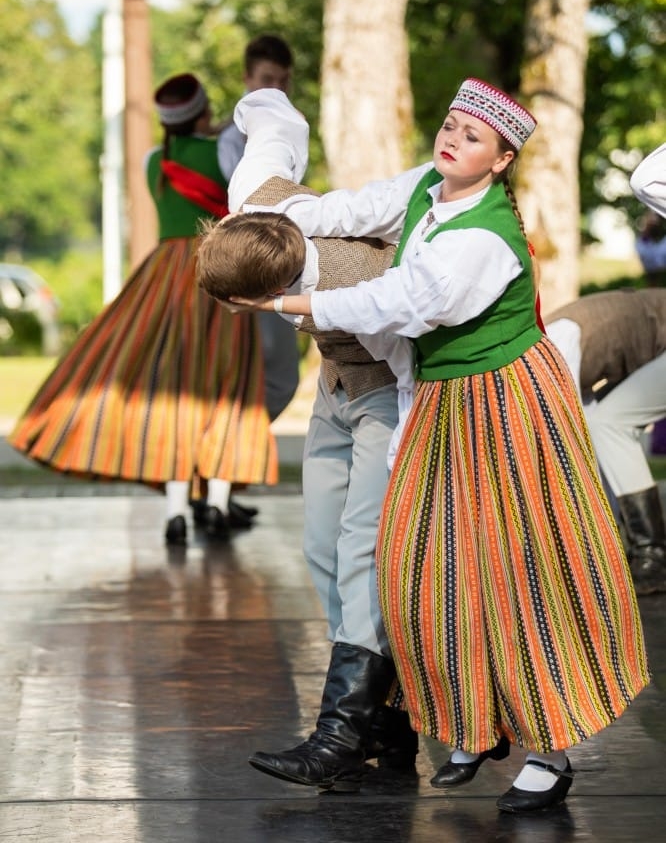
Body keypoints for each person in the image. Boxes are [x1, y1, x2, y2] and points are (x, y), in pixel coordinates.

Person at [226, 78, 650, 814]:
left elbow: (401, 301)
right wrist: (270, 215)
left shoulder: (482, 240)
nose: (452, 138)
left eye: (472, 136)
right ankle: (469, 724)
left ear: (501, 160)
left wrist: (288, 299)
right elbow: (351, 208)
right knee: (421, 572)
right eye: (450, 124)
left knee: (523, 574)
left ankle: (549, 754)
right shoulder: (430, 185)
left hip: (507, 405)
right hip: (443, 405)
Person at [199, 89, 419, 790]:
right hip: (335, 387)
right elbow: (275, 118)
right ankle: (387, 715)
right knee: (321, 546)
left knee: (363, 548)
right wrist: (248, 103)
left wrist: (404, 447)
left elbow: (420, 359)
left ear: (268, 299)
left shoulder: (372, 282)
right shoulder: (257, 207)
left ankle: (342, 732)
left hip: (389, 385)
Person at [9, 73, 277, 546]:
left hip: (164, 277)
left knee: (175, 390)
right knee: (228, 386)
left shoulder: (154, 159)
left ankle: (176, 512)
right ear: (201, 112)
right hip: (219, 270)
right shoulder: (223, 150)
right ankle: (215, 502)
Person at [545, 288, 666, 595]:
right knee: (605, 427)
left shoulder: (552, 353)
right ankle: (633, 549)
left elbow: (569, 446)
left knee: (609, 423)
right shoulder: (548, 350)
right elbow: (591, 447)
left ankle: (652, 555)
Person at [216, 35, 300, 424]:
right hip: (242, 262)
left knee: (282, 376)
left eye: (283, 81)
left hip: (275, 263)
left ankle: (230, 455)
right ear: (247, 78)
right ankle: (224, 460)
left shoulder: (293, 131)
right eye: (268, 79)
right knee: (239, 371)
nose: (277, 89)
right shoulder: (232, 139)